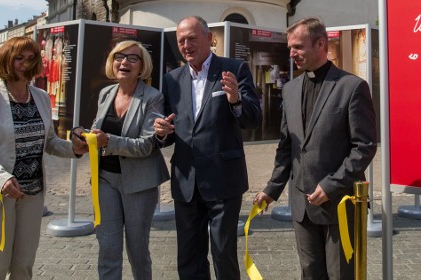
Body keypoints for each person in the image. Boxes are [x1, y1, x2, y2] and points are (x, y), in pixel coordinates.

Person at [253, 17, 376, 280]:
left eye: (297, 47)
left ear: (321, 44)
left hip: (338, 205)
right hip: (302, 206)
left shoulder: (352, 87)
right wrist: (272, 189)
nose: (291, 53)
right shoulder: (290, 90)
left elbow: (363, 147)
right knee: (310, 274)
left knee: (341, 275)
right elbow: (287, 147)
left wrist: (331, 184)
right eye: (290, 47)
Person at [0, 36, 88, 280]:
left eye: (31, 58)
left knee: (23, 266)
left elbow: (49, 141)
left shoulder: (40, 97)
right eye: (19, 58)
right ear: (5, 60)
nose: (25, 64)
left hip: (31, 194)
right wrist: (2, 179)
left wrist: (74, 149)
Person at [154, 16, 261, 280]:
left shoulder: (234, 68)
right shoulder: (172, 79)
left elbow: (253, 119)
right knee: (189, 257)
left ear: (209, 37)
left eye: (191, 38)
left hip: (223, 179)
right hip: (186, 179)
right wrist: (160, 133)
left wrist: (236, 100)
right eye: (181, 41)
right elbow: (168, 130)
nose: (186, 45)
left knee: (223, 254)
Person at [88, 40, 169, 280]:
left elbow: (146, 144)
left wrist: (107, 141)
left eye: (133, 58)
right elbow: (96, 128)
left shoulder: (153, 97)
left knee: (137, 250)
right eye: (119, 56)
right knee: (108, 248)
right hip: (105, 180)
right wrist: (84, 136)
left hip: (139, 184)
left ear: (142, 65)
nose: (124, 62)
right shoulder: (106, 93)